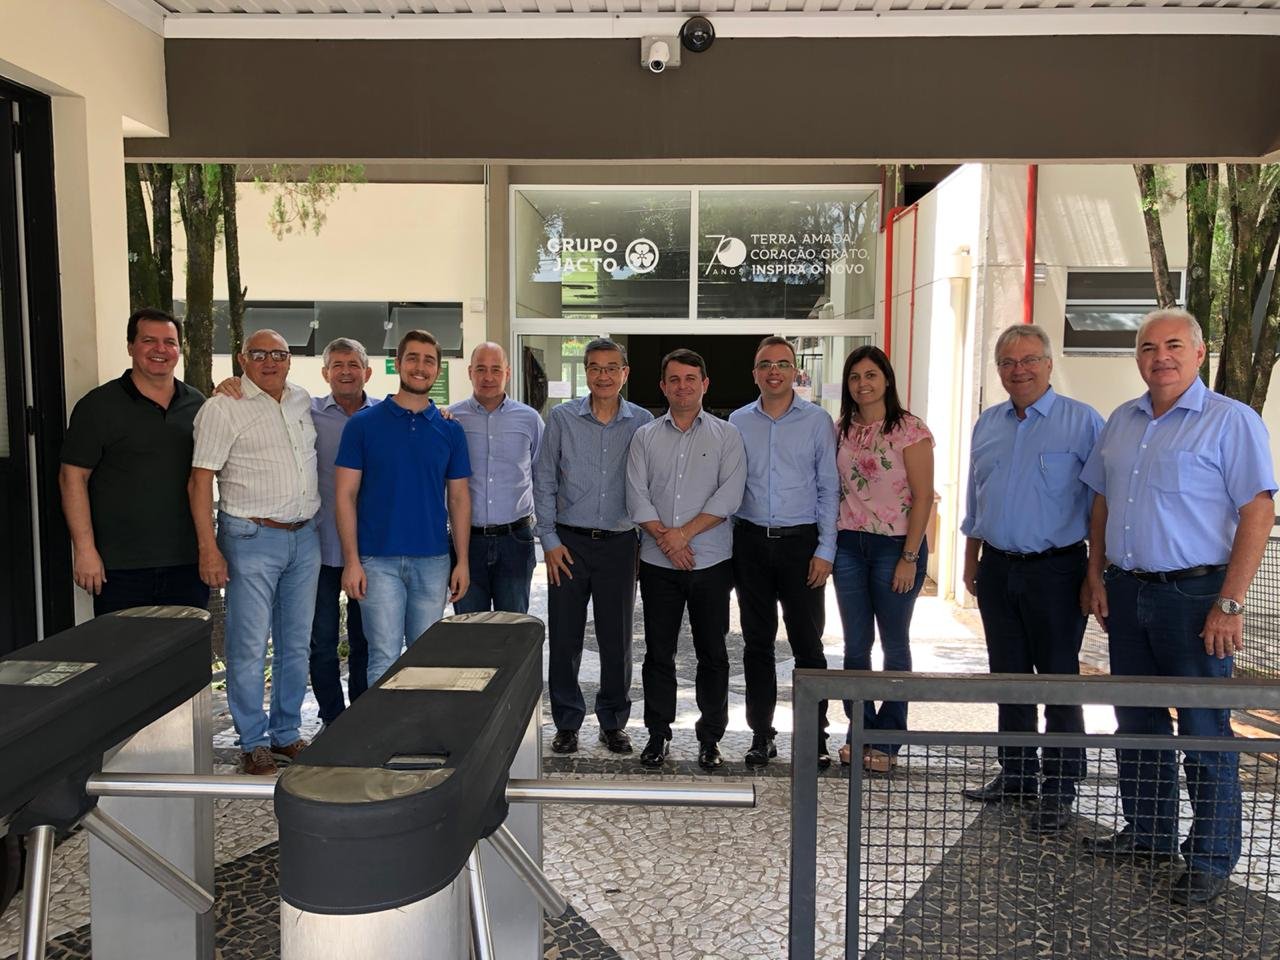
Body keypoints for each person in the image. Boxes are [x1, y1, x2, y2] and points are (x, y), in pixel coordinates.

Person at [1081, 308, 1275, 904]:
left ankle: (1211, 857)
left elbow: (1258, 511)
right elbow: (1102, 504)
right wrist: (1095, 574)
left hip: (1196, 597)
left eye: (1172, 345)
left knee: (1202, 727)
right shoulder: (1122, 420)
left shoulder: (1231, 421)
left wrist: (1230, 603)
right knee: (1136, 721)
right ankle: (1149, 832)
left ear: (1198, 353)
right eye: (1148, 347)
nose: (1160, 356)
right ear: (1137, 357)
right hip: (1127, 590)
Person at [959, 325, 1103, 831]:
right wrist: (971, 559)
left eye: (1028, 360)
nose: (1018, 370)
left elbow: (1101, 505)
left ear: (1048, 364)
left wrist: (1095, 574)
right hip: (998, 567)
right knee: (1009, 676)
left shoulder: (1083, 422)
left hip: (1057, 571)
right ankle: (1017, 773)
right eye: (1007, 362)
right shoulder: (987, 423)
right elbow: (977, 497)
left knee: (1058, 679)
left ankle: (1061, 785)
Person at [189, 329, 321, 776]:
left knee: (295, 643)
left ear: (290, 360)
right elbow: (200, 481)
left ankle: (285, 733)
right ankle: (253, 742)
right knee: (248, 645)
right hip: (250, 537)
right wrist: (208, 547)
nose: (270, 362)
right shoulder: (223, 407)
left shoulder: (302, 400)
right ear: (242, 359)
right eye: (259, 354)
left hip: (304, 536)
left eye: (278, 354)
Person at [533, 338, 653, 756]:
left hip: (620, 545)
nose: (603, 375)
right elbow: (544, 480)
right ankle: (567, 723)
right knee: (564, 637)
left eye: (611, 367)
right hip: (568, 544)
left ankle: (613, 722)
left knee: (616, 640)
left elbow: (650, 483)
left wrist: (643, 543)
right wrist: (549, 540)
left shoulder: (642, 422)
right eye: (595, 367)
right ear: (585, 372)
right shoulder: (562, 419)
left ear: (625, 373)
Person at [627, 349, 746, 770]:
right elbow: (636, 495)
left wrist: (683, 535)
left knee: (712, 653)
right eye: (674, 379)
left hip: (711, 563)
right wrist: (668, 541)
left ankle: (710, 737)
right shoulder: (644, 436)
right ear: (663, 386)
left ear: (705, 384)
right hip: (658, 566)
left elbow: (729, 496)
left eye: (690, 378)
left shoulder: (727, 435)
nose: (683, 386)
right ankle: (657, 734)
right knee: (658, 653)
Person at [336, 330, 471, 687]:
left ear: (438, 370)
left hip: (433, 560)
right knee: (383, 656)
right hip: (376, 560)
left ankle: (420, 724)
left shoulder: (450, 430)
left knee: (426, 657)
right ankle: (381, 726)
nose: (420, 367)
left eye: (429, 361)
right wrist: (351, 561)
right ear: (397, 364)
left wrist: (462, 560)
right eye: (412, 358)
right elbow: (345, 495)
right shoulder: (362, 425)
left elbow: (459, 498)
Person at [728, 336, 838, 769]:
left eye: (783, 364)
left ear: (796, 371)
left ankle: (815, 737)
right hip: (751, 544)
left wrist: (825, 549)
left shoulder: (817, 421)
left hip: (801, 546)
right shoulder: (738, 421)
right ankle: (762, 734)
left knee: (808, 646)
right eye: (765, 364)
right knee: (757, 644)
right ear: (754, 373)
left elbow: (829, 488)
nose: (774, 371)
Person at [60, 308, 209, 615]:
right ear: (130, 346)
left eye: (169, 342)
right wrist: (84, 550)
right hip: (120, 566)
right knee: (123, 646)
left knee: (185, 646)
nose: (160, 349)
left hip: (187, 562)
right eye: (148, 340)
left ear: (179, 349)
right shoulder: (98, 406)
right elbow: (72, 478)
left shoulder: (198, 405)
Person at [832, 345, 933, 774]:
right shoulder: (841, 429)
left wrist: (909, 556)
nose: (863, 384)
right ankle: (860, 731)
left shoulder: (910, 429)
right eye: (855, 376)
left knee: (894, 644)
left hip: (896, 547)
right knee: (856, 645)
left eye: (871, 375)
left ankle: (888, 740)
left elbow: (924, 497)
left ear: (887, 379)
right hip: (849, 546)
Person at [448, 342, 544, 614]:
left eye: (495, 369)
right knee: (470, 628)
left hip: (516, 541)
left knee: (512, 628)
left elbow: (542, 477)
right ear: (470, 372)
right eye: (481, 369)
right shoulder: (451, 419)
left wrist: (546, 532)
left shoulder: (530, 420)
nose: (488, 377)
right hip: (466, 542)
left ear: (508, 373)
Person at [309, 338, 375, 726]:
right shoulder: (307, 412)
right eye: (337, 365)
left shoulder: (383, 415)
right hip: (317, 548)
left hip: (368, 550)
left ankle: (362, 721)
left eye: (353, 364)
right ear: (325, 373)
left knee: (366, 639)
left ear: (367, 371)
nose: (346, 372)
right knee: (321, 642)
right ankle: (333, 720)